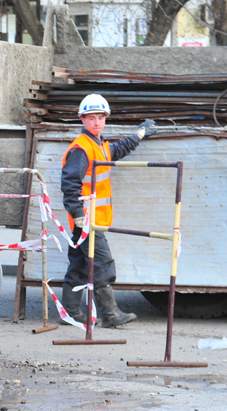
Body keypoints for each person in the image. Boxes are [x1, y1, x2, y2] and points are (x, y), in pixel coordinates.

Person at [60, 94, 156, 327]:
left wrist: (139, 135)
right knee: (102, 264)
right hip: (87, 222)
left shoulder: (99, 145)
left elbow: (118, 150)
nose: (96, 122)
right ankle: (110, 314)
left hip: (91, 220)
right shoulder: (82, 149)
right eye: (91, 118)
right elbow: (70, 183)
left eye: (101, 117)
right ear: (82, 119)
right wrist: (79, 215)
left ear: (106, 118)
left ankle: (71, 313)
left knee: (79, 266)